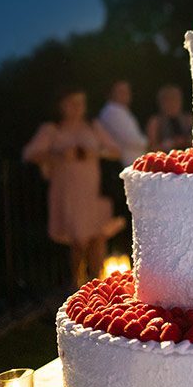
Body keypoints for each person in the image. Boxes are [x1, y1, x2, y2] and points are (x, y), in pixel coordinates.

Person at [23, 88, 124, 286]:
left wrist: (95, 153)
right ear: (61, 105)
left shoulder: (93, 127)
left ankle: (98, 286)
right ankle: (78, 287)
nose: (77, 107)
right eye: (72, 103)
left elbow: (115, 151)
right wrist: (59, 156)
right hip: (69, 193)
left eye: (80, 103)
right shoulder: (52, 129)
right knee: (78, 241)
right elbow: (29, 154)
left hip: (94, 192)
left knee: (98, 238)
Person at [97, 80, 147, 167]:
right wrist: (147, 143)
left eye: (127, 91)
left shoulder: (121, 111)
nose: (126, 94)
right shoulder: (112, 111)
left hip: (132, 162)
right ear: (111, 93)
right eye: (121, 91)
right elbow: (130, 139)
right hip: (125, 163)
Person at [146, 85, 193, 152]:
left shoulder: (189, 119)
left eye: (175, 99)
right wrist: (171, 143)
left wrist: (186, 141)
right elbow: (151, 148)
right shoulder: (155, 122)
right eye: (168, 100)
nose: (172, 103)